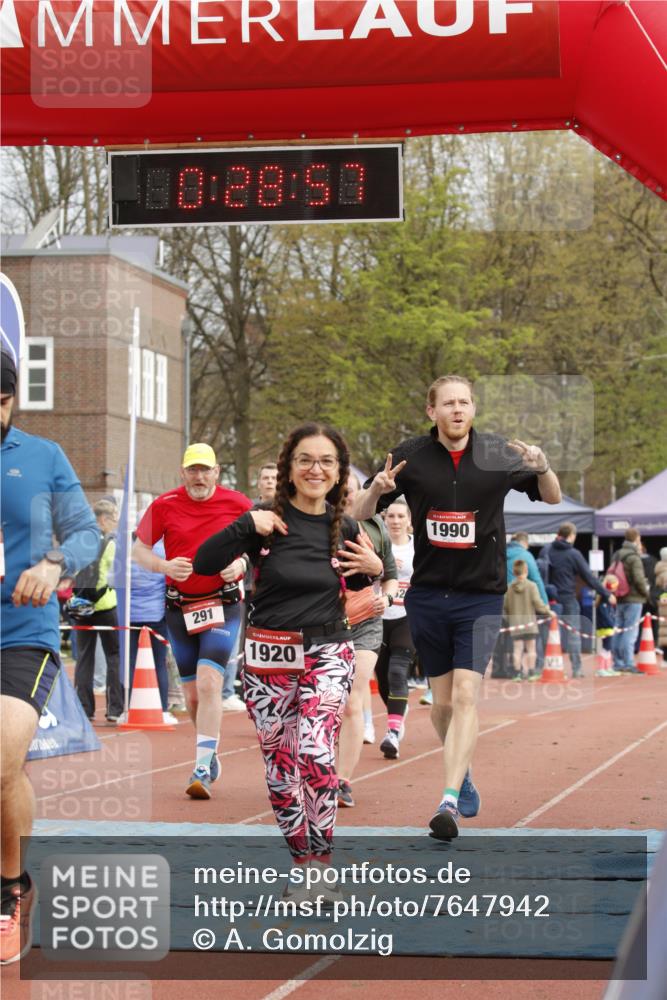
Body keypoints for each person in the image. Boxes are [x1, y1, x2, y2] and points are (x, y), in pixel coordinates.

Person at [352, 374, 562, 840]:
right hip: (427, 595)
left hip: (481, 594)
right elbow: (359, 512)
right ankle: (460, 769)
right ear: (432, 412)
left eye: (464, 402)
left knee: (466, 696)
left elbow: (551, 495)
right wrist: (378, 488)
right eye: (448, 403)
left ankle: (447, 801)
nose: (457, 410)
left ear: (473, 409)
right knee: (441, 704)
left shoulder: (497, 453)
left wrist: (543, 466)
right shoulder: (410, 455)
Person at [193, 422, 380, 874]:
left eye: (326, 461)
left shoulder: (346, 526)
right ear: (290, 468)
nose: (316, 469)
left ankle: (323, 861)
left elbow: (359, 582)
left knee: (315, 752)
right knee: (280, 771)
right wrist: (243, 525)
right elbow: (202, 564)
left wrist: (373, 568)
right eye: (306, 460)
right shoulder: (263, 521)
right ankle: (302, 860)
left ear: (338, 473)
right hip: (267, 656)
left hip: (328, 651)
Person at [1, 348, 98, 965]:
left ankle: (10, 890)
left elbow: (86, 532)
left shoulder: (42, 456)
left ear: (6, 399)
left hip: (20, 634)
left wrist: (53, 562)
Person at [132, 443, 253, 799]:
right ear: (182, 472)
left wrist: (242, 564)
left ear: (217, 472)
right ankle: (209, 751)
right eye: (192, 470)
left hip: (223, 603)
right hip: (179, 607)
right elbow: (139, 549)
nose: (199, 477)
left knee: (209, 684)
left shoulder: (238, 504)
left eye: (205, 470)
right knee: (191, 695)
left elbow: (262, 544)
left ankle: (200, 768)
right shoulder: (165, 504)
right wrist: (164, 566)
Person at [336, 474, 396, 806]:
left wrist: (385, 598)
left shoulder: (375, 526)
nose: (346, 497)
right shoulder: (318, 522)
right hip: (324, 622)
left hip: (365, 622)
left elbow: (390, 578)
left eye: (351, 491)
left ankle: (342, 780)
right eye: (341, 492)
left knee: (351, 701)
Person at [542, 522, 616, 679]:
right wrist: (606, 593)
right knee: (573, 633)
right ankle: (576, 669)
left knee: (546, 632)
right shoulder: (573, 554)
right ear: (571, 536)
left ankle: (538, 667)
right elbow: (589, 577)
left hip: (549, 598)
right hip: (568, 597)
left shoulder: (546, 550)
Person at [72, 499, 124, 723]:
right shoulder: (111, 544)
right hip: (105, 605)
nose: (115, 523)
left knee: (84, 657)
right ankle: (115, 709)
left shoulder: (79, 542)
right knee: (114, 656)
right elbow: (113, 575)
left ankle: (85, 708)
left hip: (81, 605)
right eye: (113, 518)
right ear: (103, 519)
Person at [375, 498, 416, 757]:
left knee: (398, 673)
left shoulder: (418, 549)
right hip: (378, 617)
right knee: (382, 680)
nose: (396, 521)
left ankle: (392, 733)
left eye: (401, 516)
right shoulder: (377, 545)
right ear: (385, 518)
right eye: (391, 516)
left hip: (407, 617)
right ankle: (397, 713)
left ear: (409, 521)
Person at [128, 533, 176, 724]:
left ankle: (129, 706)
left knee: (132, 662)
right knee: (158, 663)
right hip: (156, 616)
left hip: (130, 616)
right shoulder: (163, 552)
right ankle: (162, 709)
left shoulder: (128, 552)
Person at [503, 559, 553, 681]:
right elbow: (538, 603)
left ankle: (517, 673)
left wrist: (509, 619)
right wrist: (548, 611)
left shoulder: (509, 588)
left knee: (517, 649)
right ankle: (531, 673)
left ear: (514, 572)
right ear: (526, 571)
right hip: (530, 623)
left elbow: (505, 606)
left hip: (515, 624)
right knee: (531, 649)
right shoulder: (532, 586)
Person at [611, 528, 650, 674]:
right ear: (637, 538)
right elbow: (639, 579)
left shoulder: (617, 554)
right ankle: (628, 662)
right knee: (630, 630)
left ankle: (617, 662)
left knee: (618, 629)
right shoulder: (634, 556)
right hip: (633, 598)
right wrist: (646, 594)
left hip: (619, 596)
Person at [594, 575, 621, 677]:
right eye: (614, 585)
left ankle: (608, 667)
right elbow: (605, 615)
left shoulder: (607, 597)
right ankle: (601, 668)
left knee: (608, 648)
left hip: (607, 626)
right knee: (606, 648)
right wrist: (612, 625)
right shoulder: (604, 599)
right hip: (605, 627)